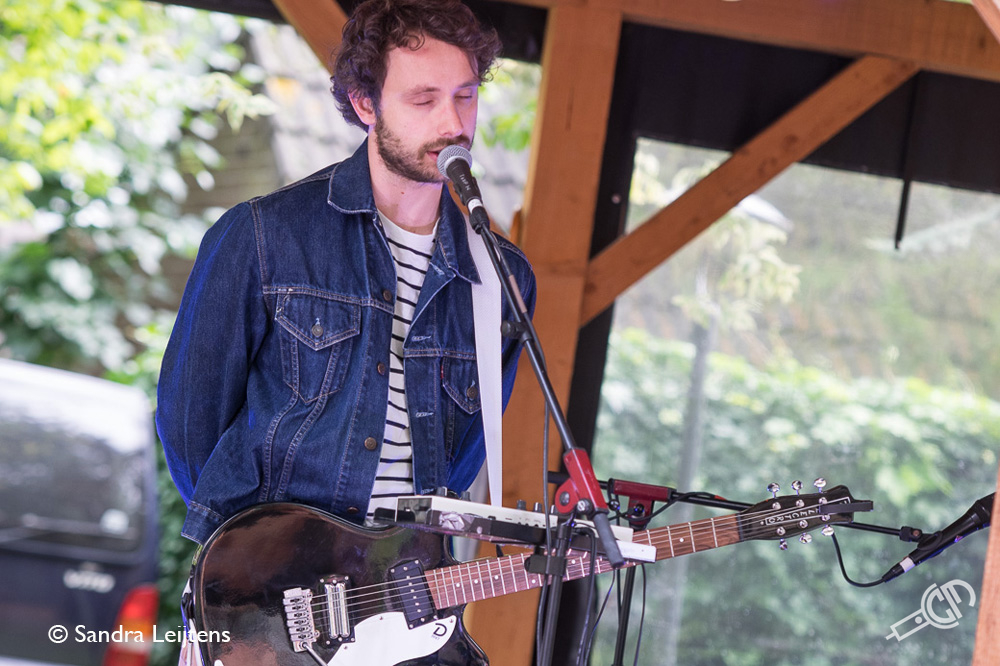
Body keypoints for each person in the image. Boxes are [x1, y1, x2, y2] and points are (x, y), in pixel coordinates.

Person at [156, 0, 535, 564]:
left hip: (402, 593)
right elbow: (190, 428)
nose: (453, 124)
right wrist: (251, 564)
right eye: (423, 99)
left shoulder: (502, 278)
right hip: (265, 586)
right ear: (365, 104)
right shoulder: (263, 233)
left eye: (465, 95)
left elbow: (461, 462)